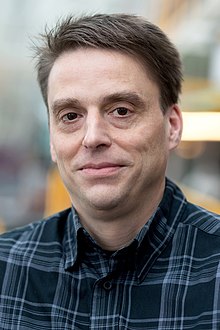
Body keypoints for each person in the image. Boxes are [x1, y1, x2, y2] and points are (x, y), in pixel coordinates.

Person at [0, 13, 219, 330]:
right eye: (71, 116)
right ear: (51, 139)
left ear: (172, 126)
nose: (92, 138)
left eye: (121, 111)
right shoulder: (6, 269)